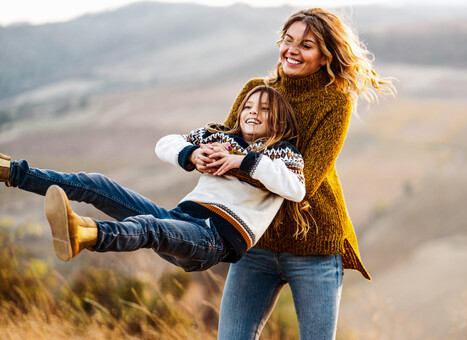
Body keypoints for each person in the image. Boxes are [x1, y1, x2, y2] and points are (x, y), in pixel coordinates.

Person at [198, 8, 396, 340]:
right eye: (288, 41)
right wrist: (199, 151)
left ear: (325, 56)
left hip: (315, 245)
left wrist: (238, 163)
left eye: (306, 45)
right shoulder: (256, 90)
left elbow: (303, 183)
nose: (292, 50)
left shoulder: (335, 103)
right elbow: (227, 144)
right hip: (256, 240)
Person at [0, 85, 307, 272]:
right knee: (97, 183)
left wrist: (240, 161)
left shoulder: (281, 154)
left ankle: (85, 234)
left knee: (148, 227)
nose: (253, 112)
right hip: (180, 220)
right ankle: (12, 172)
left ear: (278, 118)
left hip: (212, 240)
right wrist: (191, 155)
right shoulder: (221, 137)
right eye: (248, 107)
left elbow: (295, 189)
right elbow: (166, 143)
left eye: (265, 109)